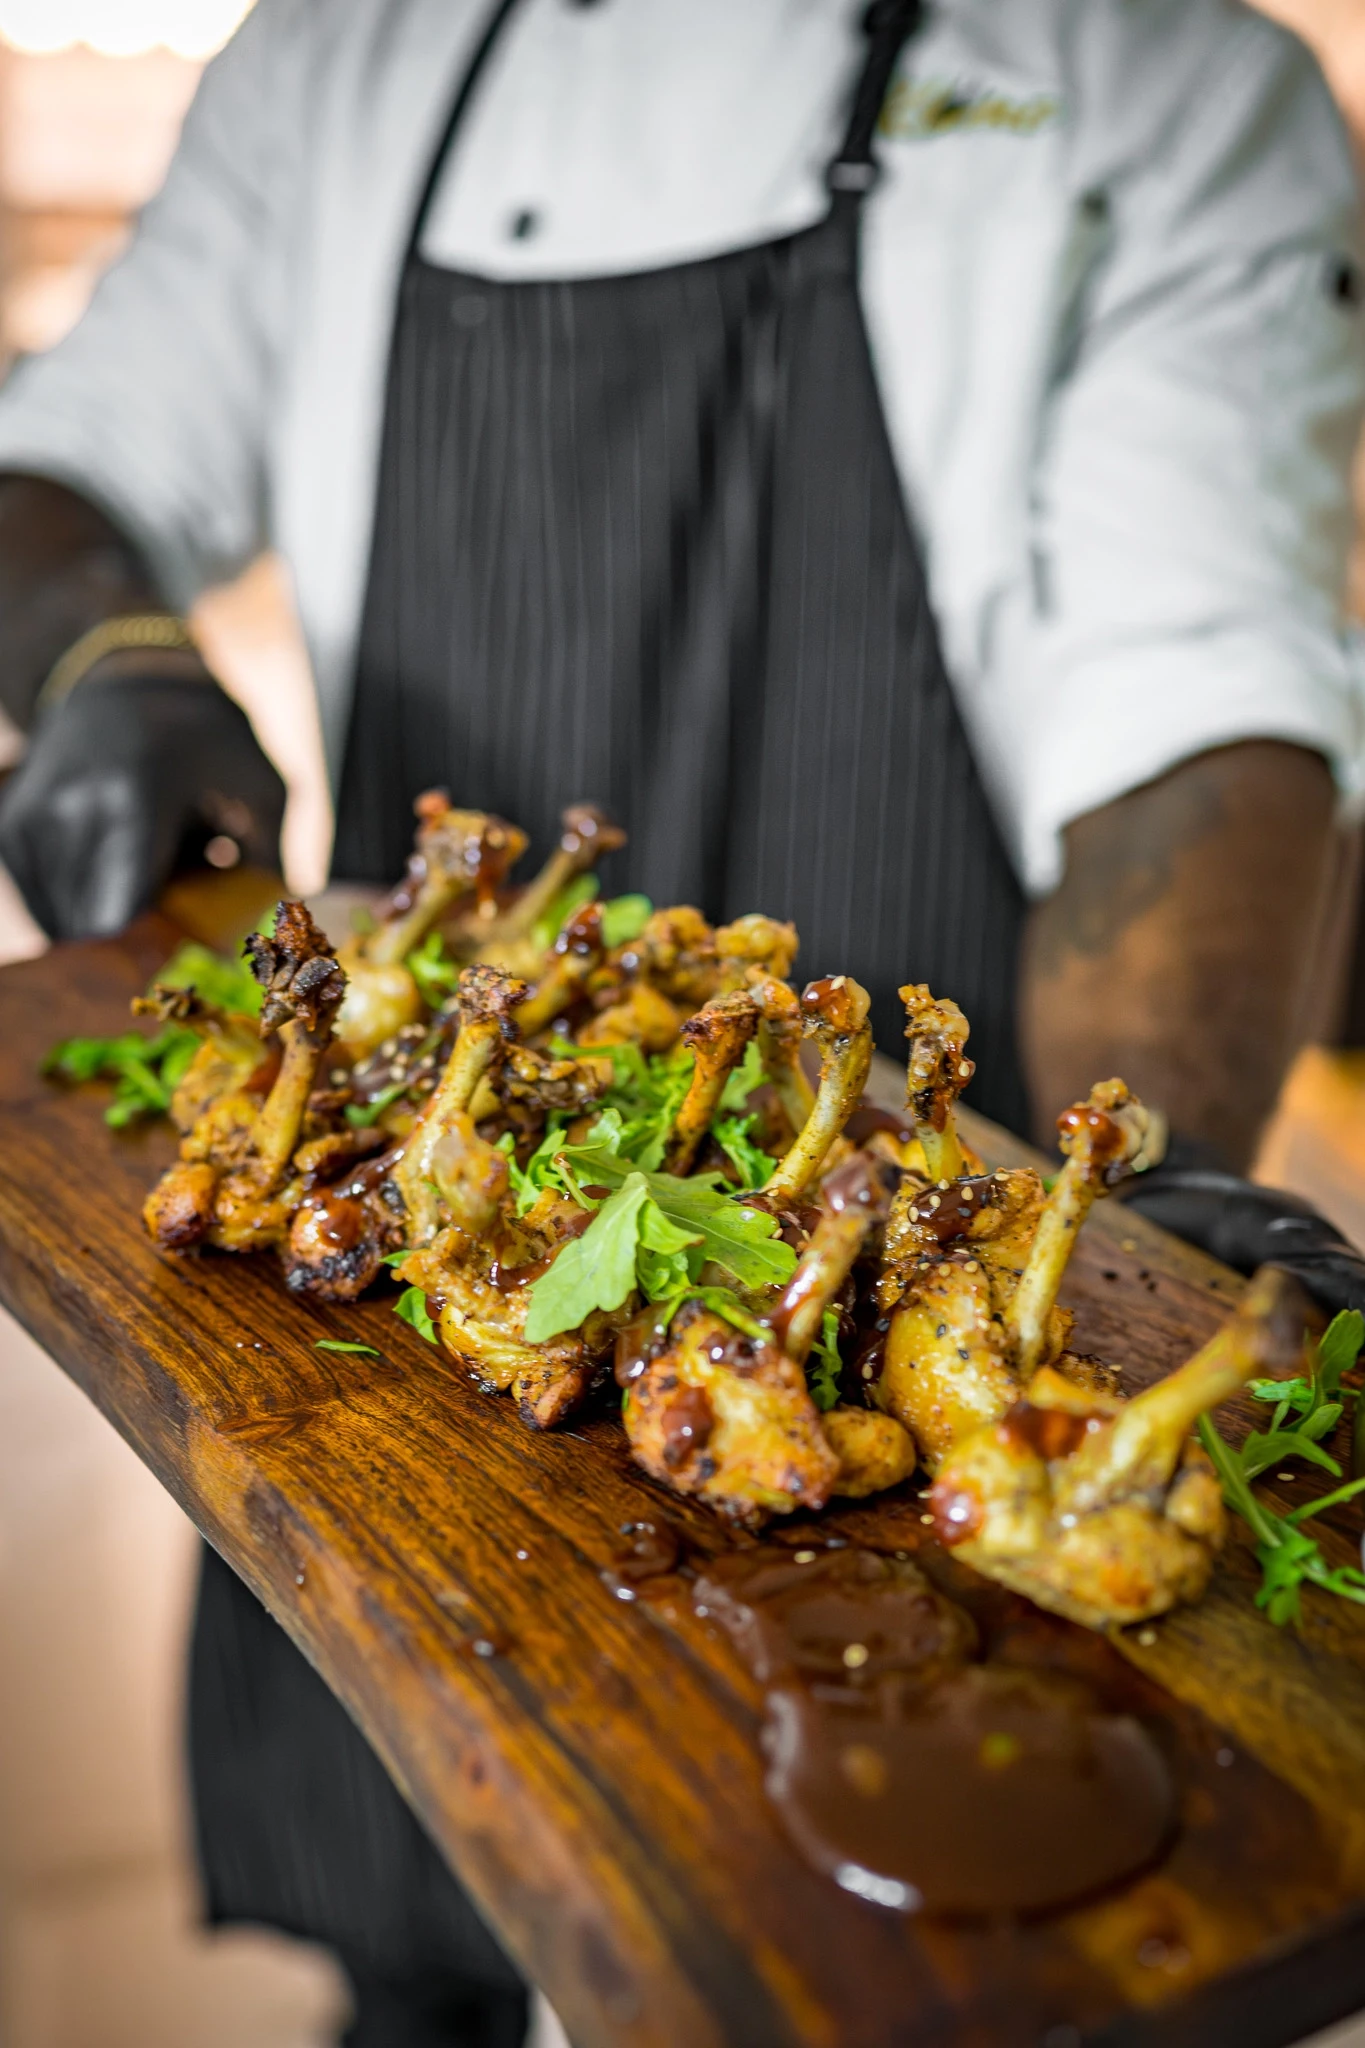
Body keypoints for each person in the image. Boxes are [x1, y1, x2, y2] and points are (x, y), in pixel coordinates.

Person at [0, 2, 1363, 2041]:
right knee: (417, 1941)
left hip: (888, 1307)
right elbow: (67, 467)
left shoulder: (1148, 68)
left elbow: (1193, 717)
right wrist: (104, 649)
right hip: (374, 1363)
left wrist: (1136, 1173)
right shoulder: (344, 53)